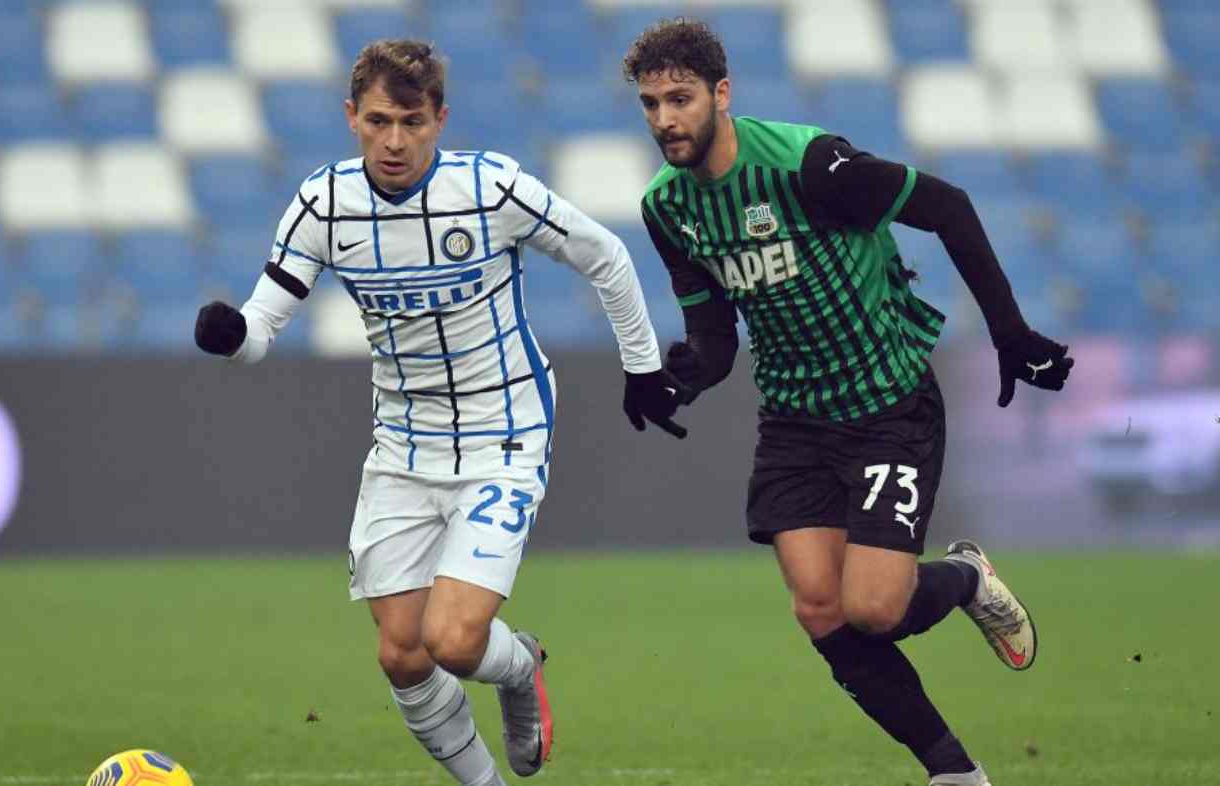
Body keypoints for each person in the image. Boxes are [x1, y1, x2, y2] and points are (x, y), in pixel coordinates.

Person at [194, 39, 687, 786]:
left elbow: (606, 256)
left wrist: (643, 365)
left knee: (455, 641)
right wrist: (234, 339)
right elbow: (264, 322)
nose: (395, 141)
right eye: (380, 121)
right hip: (402, 442)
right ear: (352, 116)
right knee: (402, 652)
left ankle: (518, 670)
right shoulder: (324, 204)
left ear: (441, 119)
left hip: (506, 431)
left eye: (414, 123)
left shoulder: (490, 190)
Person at [623, 19, 1074, 786]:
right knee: (821, 610)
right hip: (794, 421)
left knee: (872, 609)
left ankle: (964, 577)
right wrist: (681, 376)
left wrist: (1011, 332)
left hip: (885, 406)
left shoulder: (811, 165)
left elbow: (949, 206)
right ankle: (954, 773)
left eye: (681, 98)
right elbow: (716, 339)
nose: (666, 118)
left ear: (720, 95)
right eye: (650, 103)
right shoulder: (667, 209)